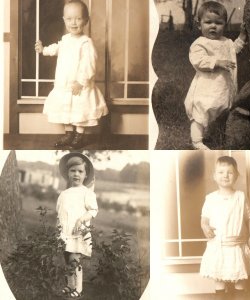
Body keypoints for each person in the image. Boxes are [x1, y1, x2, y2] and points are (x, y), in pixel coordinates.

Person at [35, 0, 108, 149]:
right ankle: (69, 134)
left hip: (79, 85)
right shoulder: (65, 39)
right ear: (64, 20)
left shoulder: (85, 43)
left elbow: (89, 64)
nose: (73, 23)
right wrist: (44, 50)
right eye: (69, 19)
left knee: (81, 110)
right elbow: (56, 48)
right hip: (64, 83)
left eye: (78, 18)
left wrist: (81, 82)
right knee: (66, 109)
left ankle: (79, 135)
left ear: (86, 20)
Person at [184, 1, 247, 150]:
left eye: (218, 23)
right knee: (202, 111)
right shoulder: (200, 43)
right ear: (199, 24)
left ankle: (217, 134)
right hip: (207, 87)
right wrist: (216, 62)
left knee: (222, 110)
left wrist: (242, 37)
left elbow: (235, 49)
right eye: (208, 22)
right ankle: (196, 141)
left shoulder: (226, 42)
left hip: (223, 87)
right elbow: (198, 61)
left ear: (225, 25)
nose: (213, 26)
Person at [200, 156, 250, 300]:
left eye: (230, 172)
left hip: (237, 247)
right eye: (221, 172)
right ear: (214, 176)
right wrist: (205, 227)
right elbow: (204, 219)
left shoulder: (240, 196)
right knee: (219, 280)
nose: (225, 175)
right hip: (218, 246)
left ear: (237, 176)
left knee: (240, 281)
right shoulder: (211, 198)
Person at [57, 152, 98, 298]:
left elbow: (93, 210)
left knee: (75, 261)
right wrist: (58, 230)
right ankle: (70, 285)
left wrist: (81, 220)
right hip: (65, 233)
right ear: (67, 173)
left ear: (85, 174)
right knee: (67, 260)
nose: (76, 174)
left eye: (80, 171)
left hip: (77, 233)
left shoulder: (86, 193)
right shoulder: (64, 194)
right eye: (73, 171)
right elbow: (60, 213)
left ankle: (79, 289)